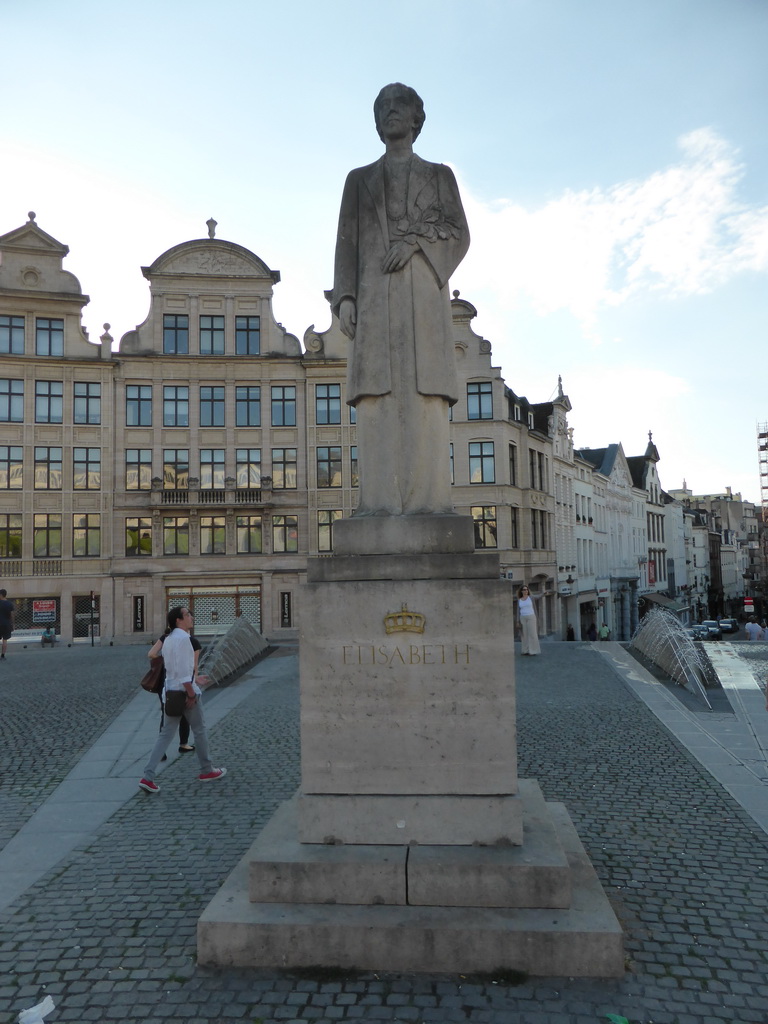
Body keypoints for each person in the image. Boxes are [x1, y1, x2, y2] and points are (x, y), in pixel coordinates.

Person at [332, 83, 470, 516]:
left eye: (399, 106)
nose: (391, 112)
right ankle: (376, 506)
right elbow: (346, 243)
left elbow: (459, 234)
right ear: (376, 122)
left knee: (426, 399)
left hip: (423, 302)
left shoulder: (440, 175)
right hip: (374, 304)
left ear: (416, 119)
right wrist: (346, 297)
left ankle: (432, 507)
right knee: (376, 401)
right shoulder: (358, 180)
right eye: (383, 107)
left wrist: (416, 244)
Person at [139, 606, 226, 793]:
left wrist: (196, 679)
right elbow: (183, 673)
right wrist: (192, 692)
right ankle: (207, 770)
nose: (191, 617)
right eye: (187, 614)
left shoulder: (168, 640)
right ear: (179, 620)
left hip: (170, 692)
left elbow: (174, 669)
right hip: (185, 693)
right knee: (200, 730)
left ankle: (148, 777)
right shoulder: (185, 639)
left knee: (165, 735)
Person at [148, 627, 201, 754]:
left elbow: (151, 654)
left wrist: (167, 660)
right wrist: (195, 682)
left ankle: (161, 751)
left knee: (166, 713)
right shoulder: (192, 641)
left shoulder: (165, 637)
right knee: (185, 712)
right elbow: (194, 665)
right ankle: (184, 744)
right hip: (183, 681)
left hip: (166, 680)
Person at [517, 585, 541, 656]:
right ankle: (525, 650)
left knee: (532, 633)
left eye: (527, 590)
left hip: (531, 616)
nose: (526, 591)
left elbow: (538, 596)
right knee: (524, 634)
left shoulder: (531, 598)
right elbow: (518, 611)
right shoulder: (519, 600)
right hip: (523, 617)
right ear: (521, 591)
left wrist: (543, 593)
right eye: (524, 590)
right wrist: (517, 621)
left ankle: (533, 650)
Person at [0, 589, 14, 659]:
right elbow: (12, 615)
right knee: (5, 640)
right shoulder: (9, 604)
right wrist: (12, 624)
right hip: (6, 624)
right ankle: (3, 655)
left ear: (1, 595)